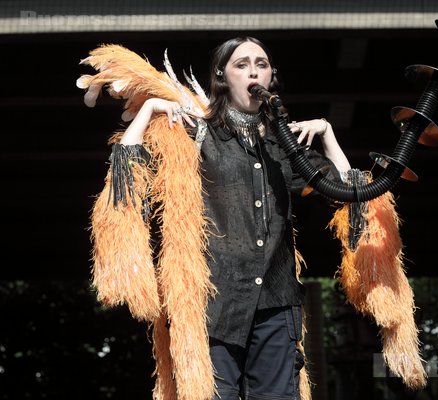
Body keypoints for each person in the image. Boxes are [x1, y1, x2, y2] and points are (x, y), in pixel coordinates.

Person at [116, 36, 351, 400]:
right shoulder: (200, 133)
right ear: (222, 76)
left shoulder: (283, 146)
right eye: (242, 64)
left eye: (262, 64)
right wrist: (148, 111)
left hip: (276, 304)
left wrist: (327, 132)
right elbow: (126, 171)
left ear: (272, 76)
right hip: (213, 302)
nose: (254, 71)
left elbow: (349, 192)